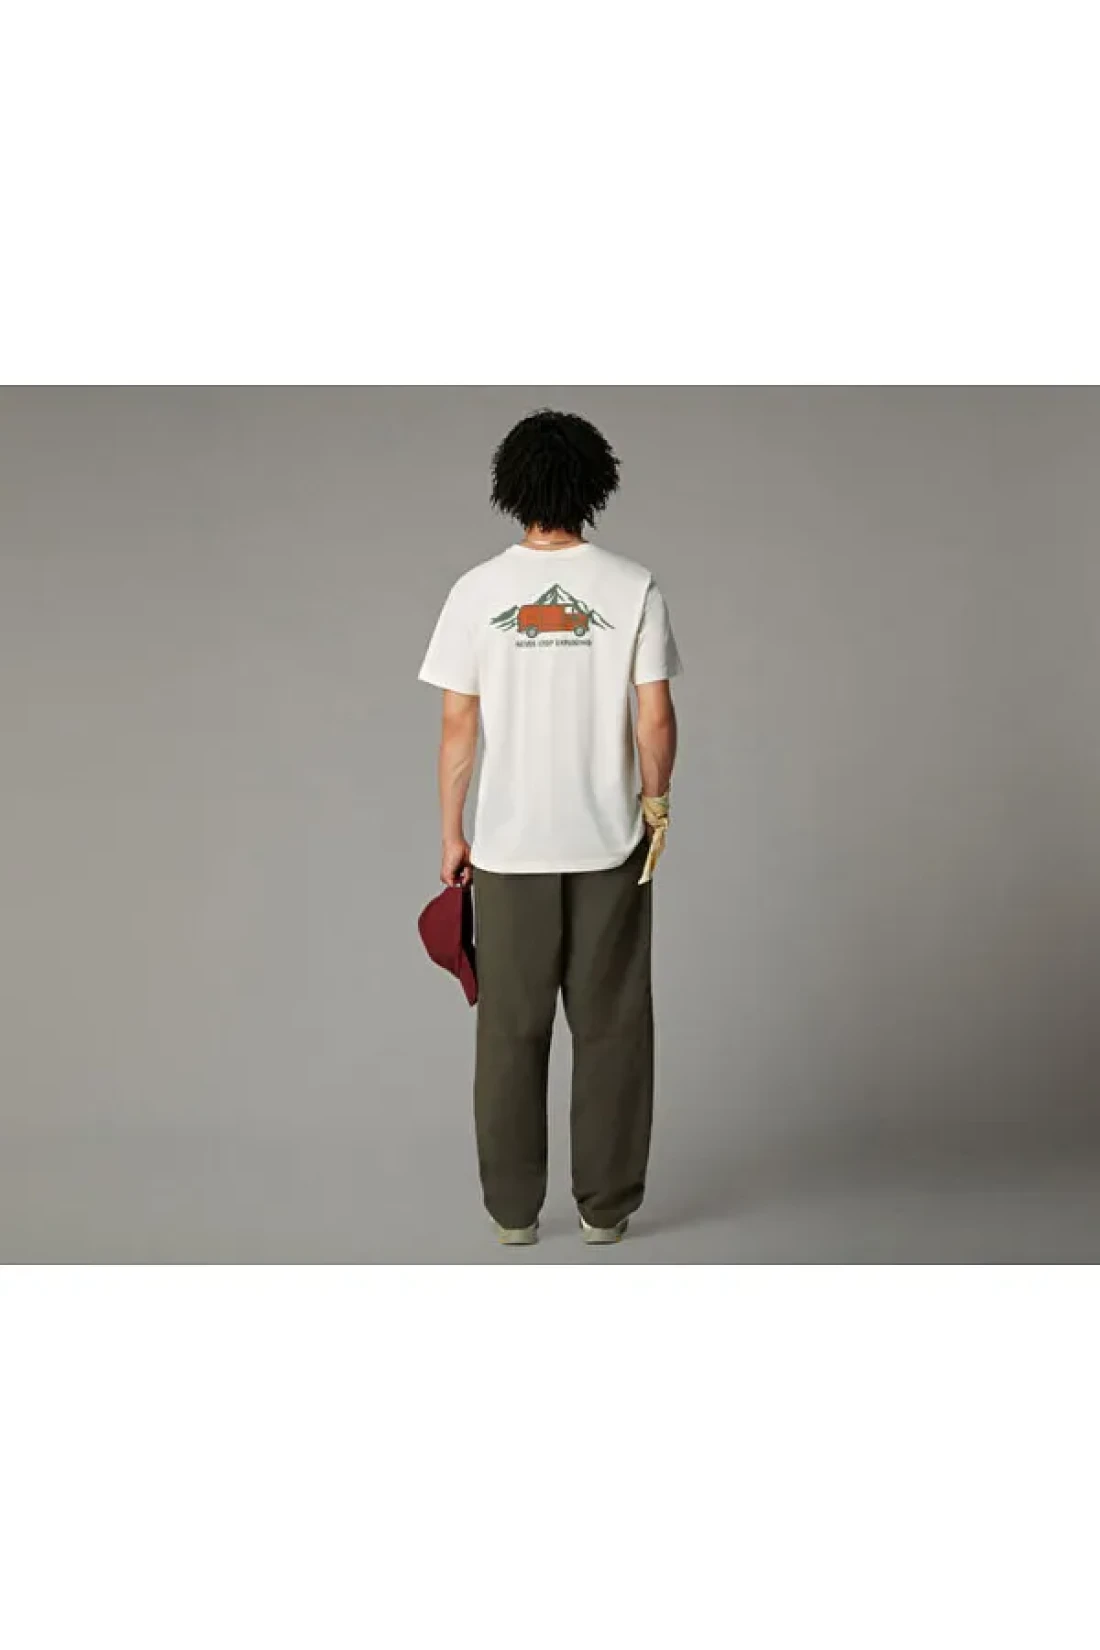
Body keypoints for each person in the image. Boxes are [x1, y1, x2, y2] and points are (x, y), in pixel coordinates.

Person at [417, 408, 681, 1246]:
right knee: (613, 1029)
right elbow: (655, 718)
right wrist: (656, 804)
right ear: (595, 483)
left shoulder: (474, 591)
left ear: (513, 487)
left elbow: (458, 727)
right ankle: (606, 1210)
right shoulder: (634, 586)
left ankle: (512, 1213)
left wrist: (453, 833)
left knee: (509, 1034)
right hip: (611, 846)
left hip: (507, 849)